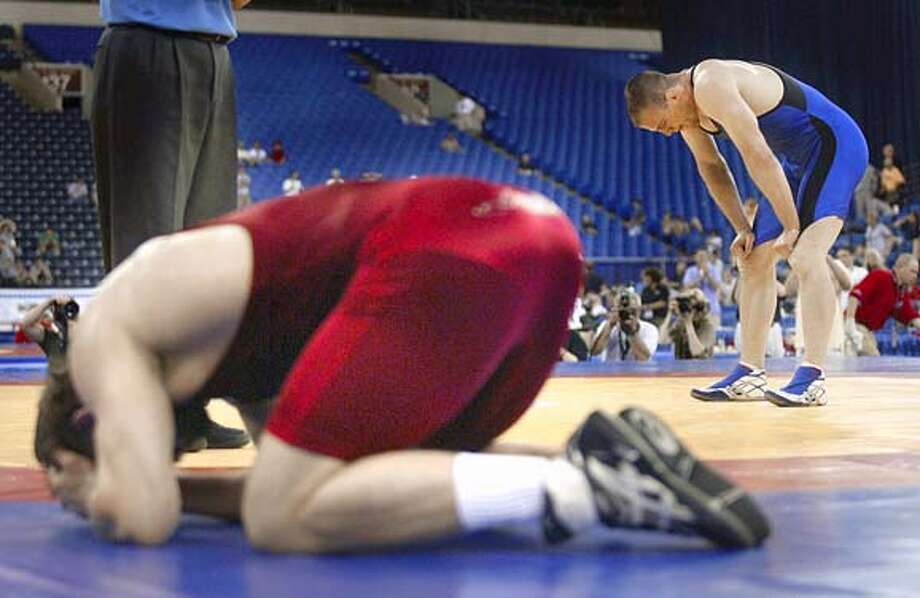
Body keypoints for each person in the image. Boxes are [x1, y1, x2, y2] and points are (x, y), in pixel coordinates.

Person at [35, 177, 769, 553]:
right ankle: (610, 463)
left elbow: (147, 517)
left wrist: (103, 488)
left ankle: (576, 483)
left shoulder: (105, 326)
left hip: (447, 254)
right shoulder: (221, 343)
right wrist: (163, 485)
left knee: (277, 519)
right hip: (533, 249)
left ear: (86, 417)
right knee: (353, 484)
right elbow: (303, 474)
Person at [626, 59, 868, 406]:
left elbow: (757, 154)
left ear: (674, 96)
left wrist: (791, 225)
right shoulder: (689, 114)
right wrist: (742, 226)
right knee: (752, 260)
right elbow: (712, 167)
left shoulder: (710, 83)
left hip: (835, 146)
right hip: (794, 162)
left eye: (664, 125)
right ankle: (750, 373)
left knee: (805, 254)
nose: (668, 133)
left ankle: (814, 376)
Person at [90, 0, 252, 449]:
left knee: (203, 250)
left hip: (213, 53)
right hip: (147, 43)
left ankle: (185, 408)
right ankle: (134, 412)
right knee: (145, 246)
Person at [845, 253, 920, 356]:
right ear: (901, 267)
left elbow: (910, 315)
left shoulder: (901, 291)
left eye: (916, 273)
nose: (915, 276)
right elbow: (855, 295)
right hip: (857, 325)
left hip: (868, 330)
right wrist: (850, 323)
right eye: (912, 271)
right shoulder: (880, 276)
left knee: (871, 361)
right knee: (872, 360)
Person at [590, 290, 658, 362]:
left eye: (632, 310)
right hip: (611, 371)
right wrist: (609, 326)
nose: (628, 314)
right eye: (622, 310)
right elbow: (595, 353)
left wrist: (632, 333)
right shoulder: (606, 326)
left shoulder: (650, 329)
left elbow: (644, 358)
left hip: (638, 372)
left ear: (639, 310)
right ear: (614, 310)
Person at [662, 289, 716, 359]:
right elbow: (662, 341)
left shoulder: (707, 326)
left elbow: (698, 353)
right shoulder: (681, 322)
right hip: (681, 368)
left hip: (701, 368)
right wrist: (669, 315)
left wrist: (688, 325)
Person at [682, 247, 722, 326]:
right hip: (694, 309)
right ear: (695, 258)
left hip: (711, 309)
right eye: (699, 256)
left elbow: (717, 286)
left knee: (712, 335)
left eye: (703, 256)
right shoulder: (690, 271)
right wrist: (700, 278)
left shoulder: (713, 270)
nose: (701, 258)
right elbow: (686, 286)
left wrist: (707, 275)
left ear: (707, 257)